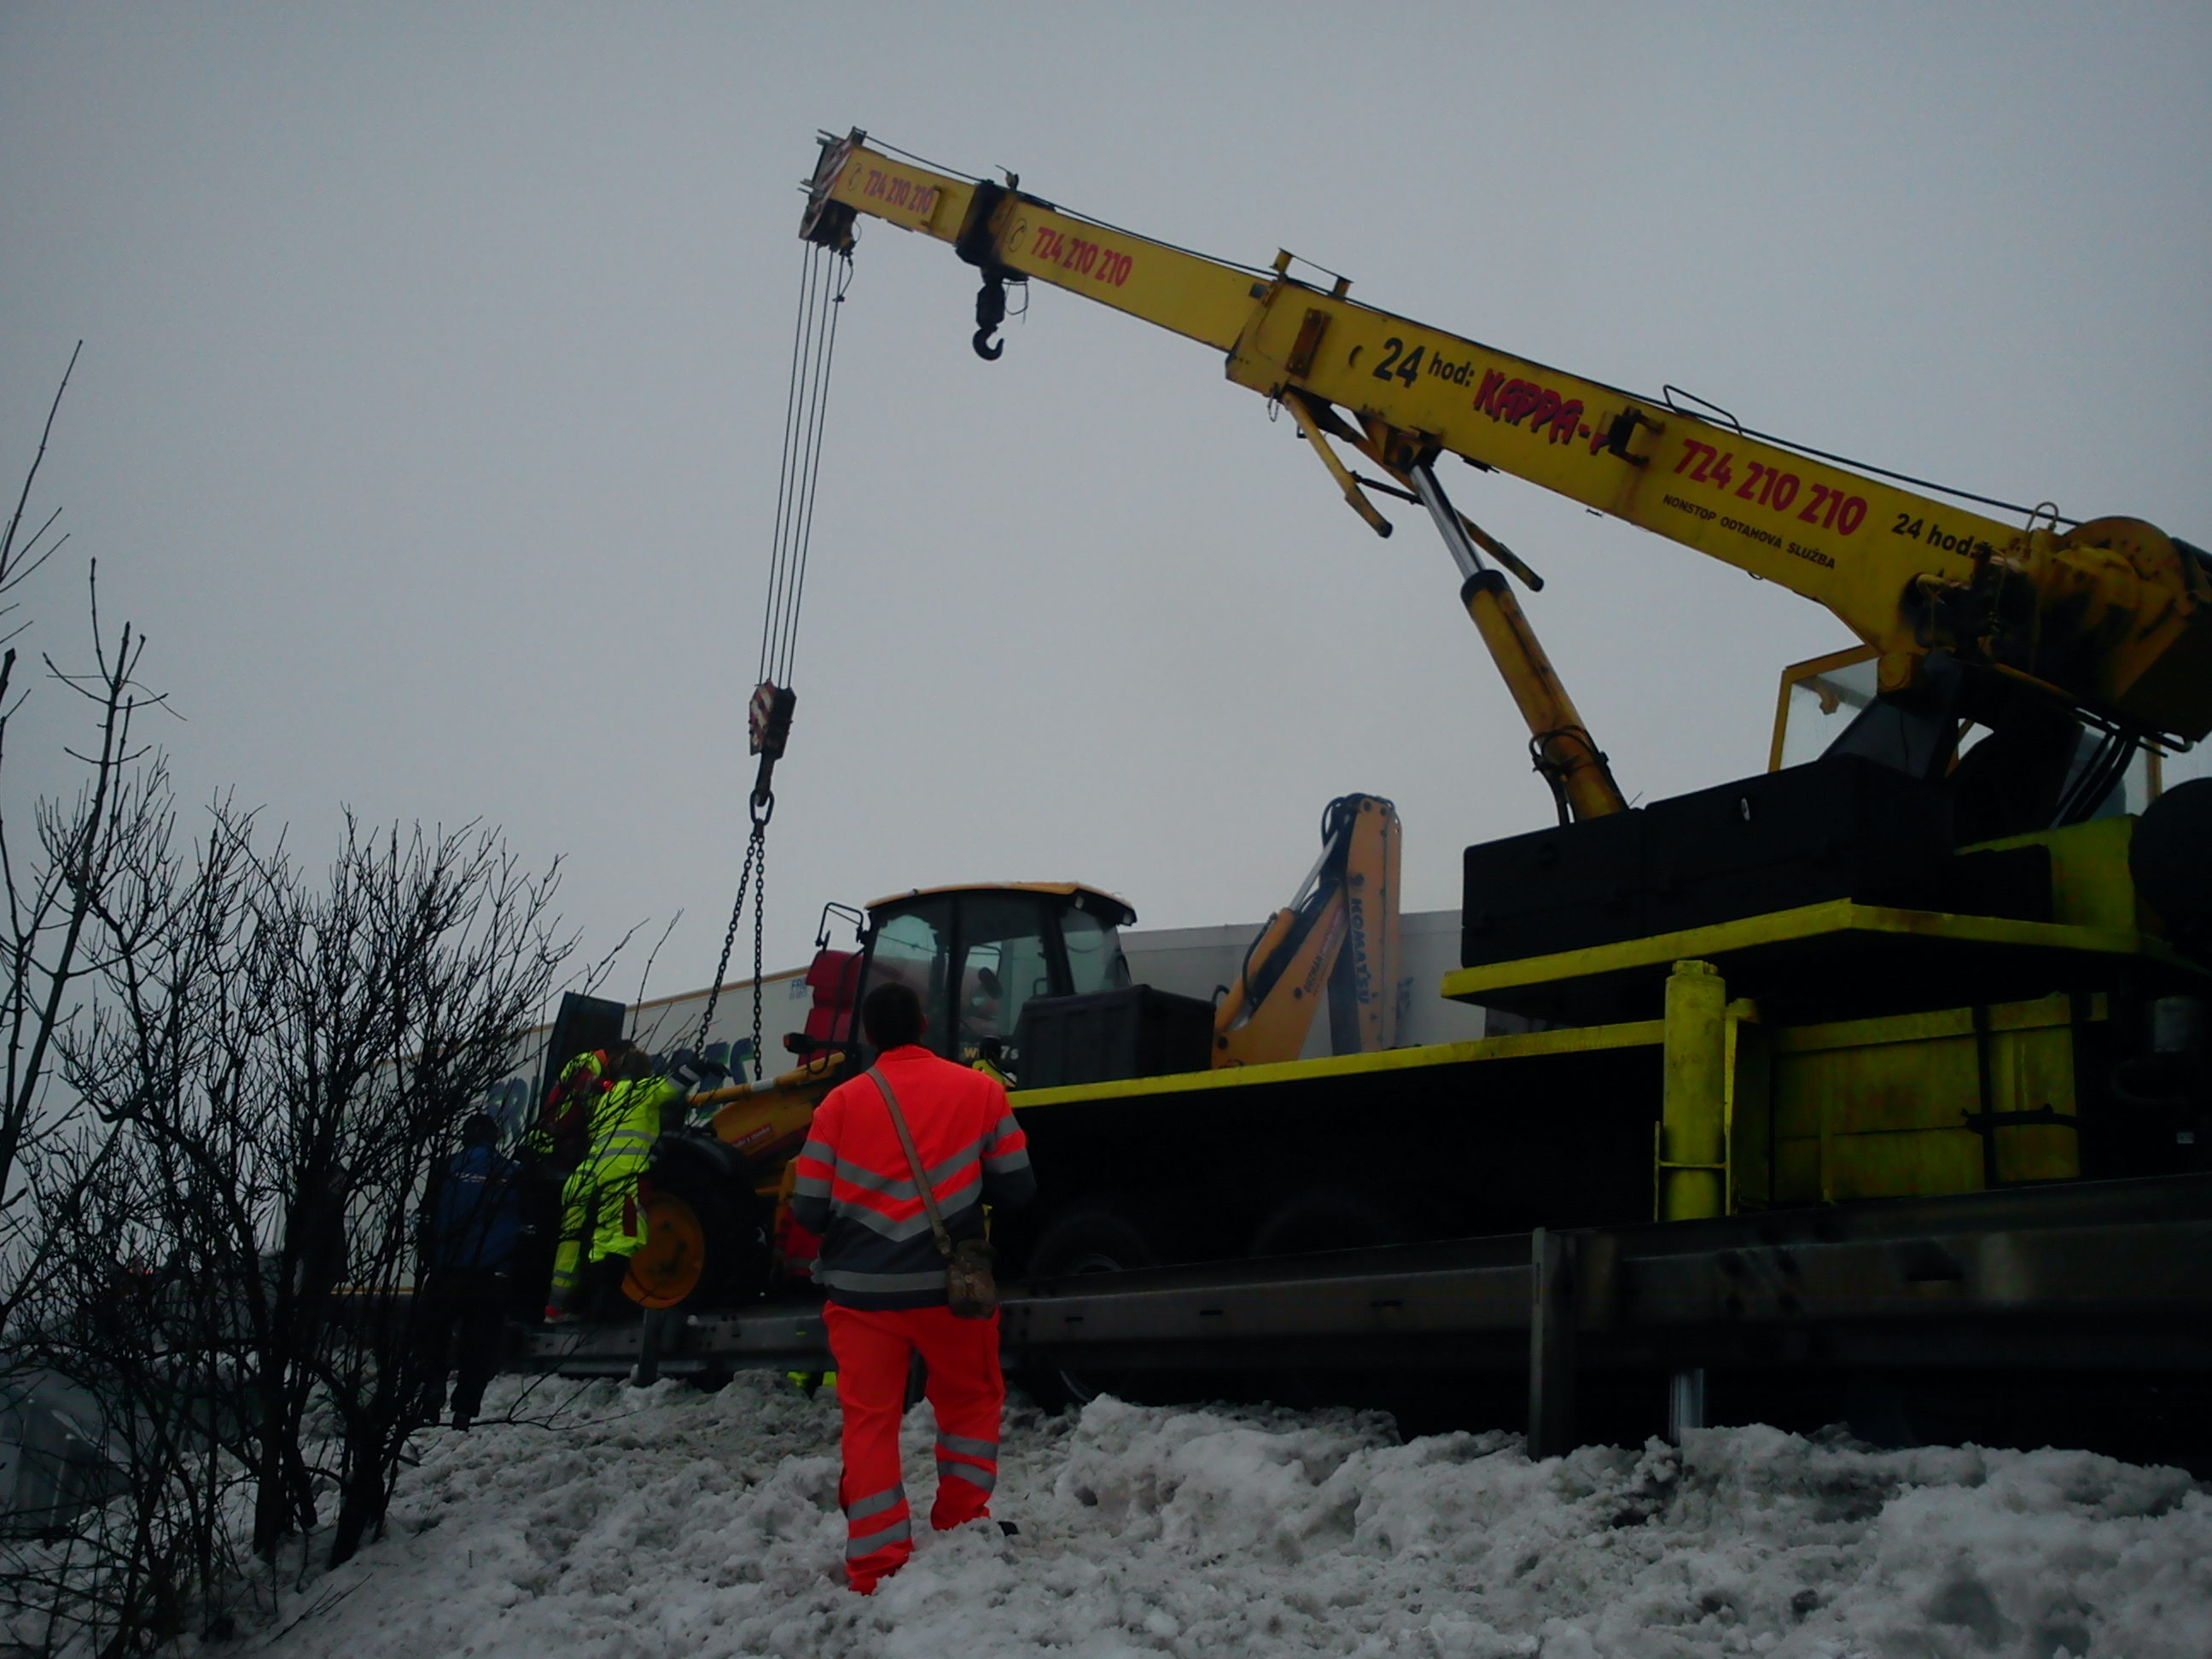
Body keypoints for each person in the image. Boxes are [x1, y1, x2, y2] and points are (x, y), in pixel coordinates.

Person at [792, 980, 1036, 1594]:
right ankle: (961, 1520)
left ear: (869, 1034)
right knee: (970, 1401)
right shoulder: (980, 1091)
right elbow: (1018, 1189)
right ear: (923, 1024)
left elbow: (809, 1209)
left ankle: (876, 1563)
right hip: (949, 1290)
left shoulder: (838, 1106)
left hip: (859, 1296)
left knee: (870, 1420)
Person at [545, 1049, 685, 1322]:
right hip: (626, 1179)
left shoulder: (606, 1098)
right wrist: (699, 1067)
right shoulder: (641, 1089)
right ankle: (610, 1306)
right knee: (624, 1240)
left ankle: (589, 1306)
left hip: (602, 1178)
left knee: (599, 1243)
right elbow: (672, 1086)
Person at [413, 1112, 520, 1430]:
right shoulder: (511, 1172)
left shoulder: (445, 1168)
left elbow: (426, 1217)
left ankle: (430, 1396)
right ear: (495, 1138)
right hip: (487, 1276)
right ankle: (464, 1410)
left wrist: (431, 1257)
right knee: (479, 1345)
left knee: (434, 1337)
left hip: (447, 1270)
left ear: (465, 1137)